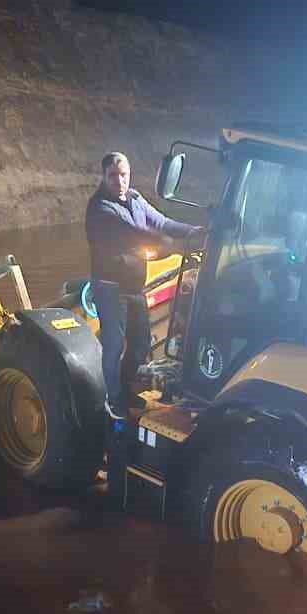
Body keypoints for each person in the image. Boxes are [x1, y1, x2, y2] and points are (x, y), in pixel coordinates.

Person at [85, 151, 204, 416]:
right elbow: (136, 234)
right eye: (113, 176)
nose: (119, 181)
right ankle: (112, 400)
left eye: (123, 174)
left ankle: (126, 390)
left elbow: (161, 222)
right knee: (114, 345)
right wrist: (175, 247)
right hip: (110, 288)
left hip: (134, 287)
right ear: (103, 177)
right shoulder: (100, 209)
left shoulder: (135, 199)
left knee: (140, 344)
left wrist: (193, 232)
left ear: (130, 174)